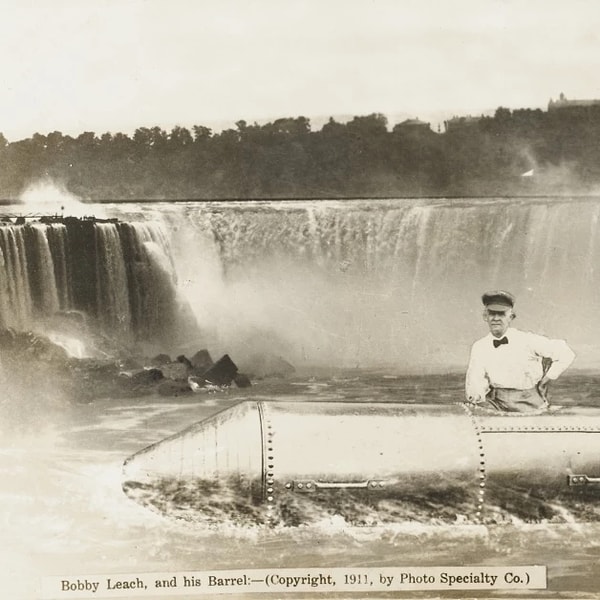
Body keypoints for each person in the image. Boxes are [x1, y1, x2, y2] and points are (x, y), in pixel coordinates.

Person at [465, 290, 575, 412]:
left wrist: (547, 379)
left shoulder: (527, 340)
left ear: (511, 317)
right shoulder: (479, 346)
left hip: (529, 403)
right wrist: (477, 398)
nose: (496, 318)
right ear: (485, 316)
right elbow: (475, 380)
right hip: (495, 403)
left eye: (501, 314)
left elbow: (566, 353)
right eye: (492, 313)